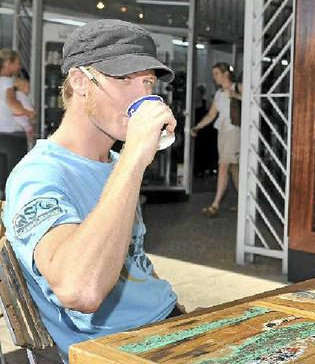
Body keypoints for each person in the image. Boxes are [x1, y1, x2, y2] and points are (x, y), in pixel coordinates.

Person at [2, 19, 182, 362]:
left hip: (167, 325)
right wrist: (133, 159)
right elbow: (79, 290)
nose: (143, 95)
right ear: (81, 82)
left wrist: (177, 311)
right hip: (117, 349)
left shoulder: (115, 163)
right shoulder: (39, 174)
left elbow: (134, 260)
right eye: (124, 78)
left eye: (147, 81)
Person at [191, 63, 240, 217]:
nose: (214, 77)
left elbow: (254, 102)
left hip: (235, 131)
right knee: (233, 169)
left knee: (223, 166)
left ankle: (215, 205)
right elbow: (211, 116)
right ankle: (244, 203)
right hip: (223, 132)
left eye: (216, 74)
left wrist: (236, 96)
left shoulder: (238, 87)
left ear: (225, 74)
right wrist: (197, 127)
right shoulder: (219, 94)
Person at [0, 50, 33, 197]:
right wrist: (29, 113)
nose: (19, 66)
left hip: (2, 135)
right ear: (8, 63)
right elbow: (11, 102)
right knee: (14, 179)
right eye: (17, 63)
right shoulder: (7, 82)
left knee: (2, 179)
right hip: (13, 135)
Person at [13, 70, 37, 149]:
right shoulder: (22, 96)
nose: (29, 89)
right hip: (21, 130)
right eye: (28, 86)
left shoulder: (13, 95)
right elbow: (32, 114)